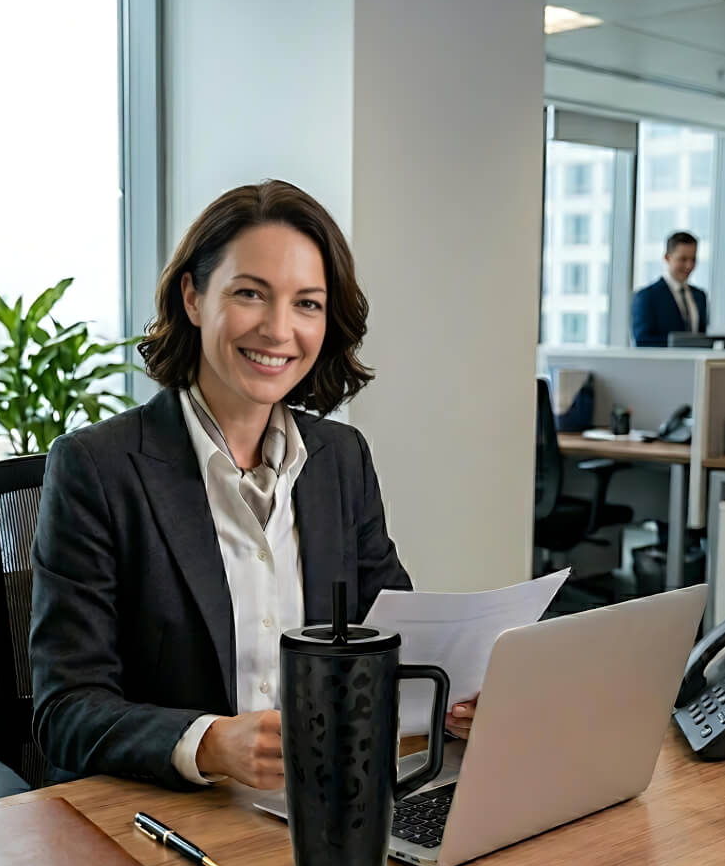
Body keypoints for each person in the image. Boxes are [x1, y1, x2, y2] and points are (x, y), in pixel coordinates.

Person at [30, 180, 475, 792]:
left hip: (325, 798)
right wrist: (210, 742)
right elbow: (66, 710)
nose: (277, 329)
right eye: (250, 294)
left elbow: (390, 634)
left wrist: (451, 693)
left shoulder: (340, 459)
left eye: (307, 304)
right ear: (192, 296)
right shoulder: (96, 469)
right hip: (167, 815)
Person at [631, 231, 708, 347]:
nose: (689, 265)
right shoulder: (647, 296)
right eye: (683, 259)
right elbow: (643, 340)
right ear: (667, 258)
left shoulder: (700, 296)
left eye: (693, 259)